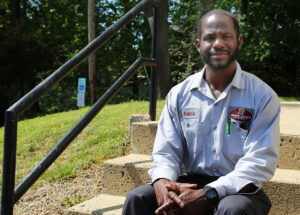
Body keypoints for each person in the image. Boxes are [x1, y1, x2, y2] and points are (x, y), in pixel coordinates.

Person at [122, 9, 280, 215]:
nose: (218, 44)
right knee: (137, 199)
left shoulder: (262, 96)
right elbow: (166, 152)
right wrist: (162, 182)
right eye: (210, 37)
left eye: (226, 36)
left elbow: (260, 162)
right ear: (199, 45)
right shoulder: (179, 94)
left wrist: (210, 193)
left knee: (232, 209)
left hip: (240, 188)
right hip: (191, 182)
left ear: (239, 42)